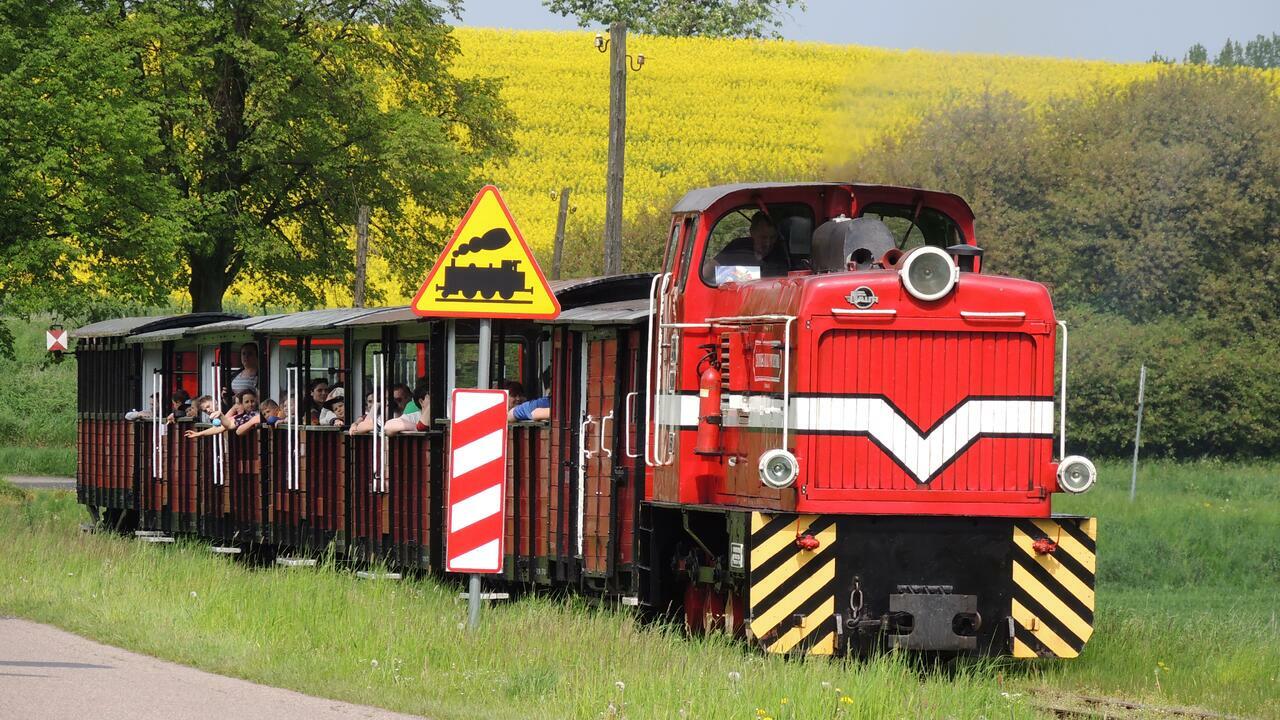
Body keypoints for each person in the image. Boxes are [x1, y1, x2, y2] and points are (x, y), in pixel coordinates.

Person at [708, 211, 790, 282]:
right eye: (763, 237)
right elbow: (707, 272)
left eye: (772, 237)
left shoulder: (781, 252)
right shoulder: (737, 247)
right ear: (752, 232)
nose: (768, 243)